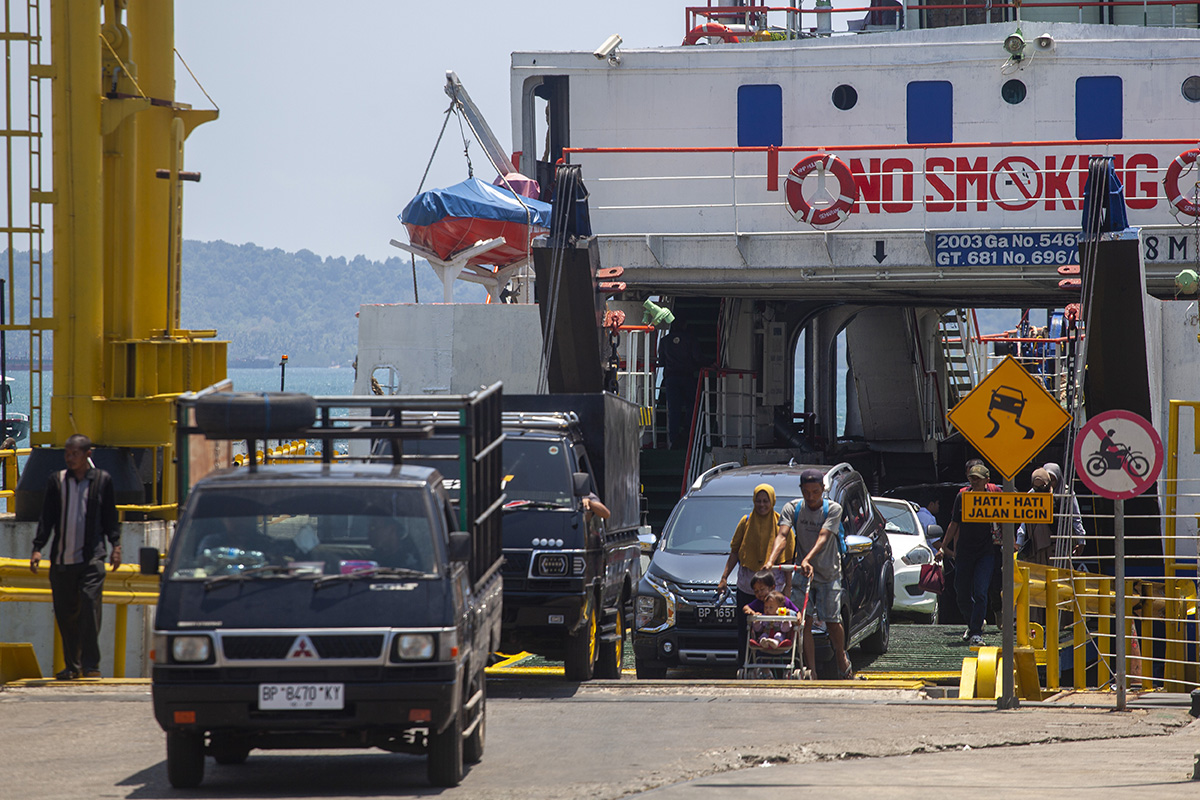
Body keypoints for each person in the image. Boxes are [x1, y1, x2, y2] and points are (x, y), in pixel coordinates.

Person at [29, 434, 120, 680]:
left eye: (74, 454)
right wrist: (38, 548)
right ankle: (72, 666)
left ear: (87, 454)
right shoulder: (56, 482)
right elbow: (46, 518)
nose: (70, 458)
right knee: (65, 614)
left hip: (92, 558)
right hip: (61, 561)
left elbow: (111, 517)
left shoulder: (102, 481)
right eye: (67, 453)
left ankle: (92, 665)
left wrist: (116, 545)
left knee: (90, 606)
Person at [766, 469, 854, 680]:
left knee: (832, 621)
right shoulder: (792, 508)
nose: (811, 497)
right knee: (802, 621)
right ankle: (811, 670)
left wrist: (808, 558)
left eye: (816, 492)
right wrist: (771, 559)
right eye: (807, 492)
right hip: (802, 573)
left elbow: (824, 536)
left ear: (823, 490)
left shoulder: (833, 509)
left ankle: (841, 657)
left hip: (828, 573)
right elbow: (782, 535)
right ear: (801, 491)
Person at [718, 484, 792, 666]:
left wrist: (788, 586)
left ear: (772, 501)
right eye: (758, 501)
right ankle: (746, 665)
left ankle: (771, 667)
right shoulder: (745, 522)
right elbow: (735, 551)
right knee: (747, 628)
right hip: (747, 586)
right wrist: (724, 576)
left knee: (773, 627)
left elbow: (788, 558)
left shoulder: (781, 525)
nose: (762, 505)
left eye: (766, 501)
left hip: (772, 590)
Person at [940, 461, 999, 648]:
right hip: (965, 552)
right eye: (971, 478)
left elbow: (1007, 518)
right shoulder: (962, 497)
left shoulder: (995, 496)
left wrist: (1010, 541)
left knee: (981, 591)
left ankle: (975, 632)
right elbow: (954, 524)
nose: (973, 482)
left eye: (977, 479)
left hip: (985, 552)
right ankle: (974, 621)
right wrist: (944, 546)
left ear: (986, 480)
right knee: (961, 593)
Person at [658, 320, 703, 449]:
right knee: (692, 405)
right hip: (687, 377)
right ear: (684, 325)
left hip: (671, 378)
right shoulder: (690, 339)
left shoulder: (665, 341)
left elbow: (661, 362)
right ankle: (687, 430)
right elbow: (697, 358)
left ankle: (673, 439)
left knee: (674, 409)